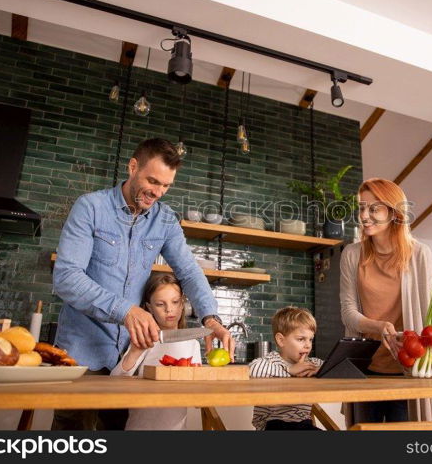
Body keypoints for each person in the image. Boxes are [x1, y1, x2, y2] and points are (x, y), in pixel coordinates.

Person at [52, 138, 233, 430]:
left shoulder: (165, 220)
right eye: (152, 181)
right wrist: (125, 310)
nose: (157, 192)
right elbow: (66, 277)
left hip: (127, 359)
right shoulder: (91, 207)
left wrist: (211, 319)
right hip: (81, 356)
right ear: (133, 166)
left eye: (166, 186)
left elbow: (189, 270)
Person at [339, 178, 432, 425]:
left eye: (374, 208)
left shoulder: (419, 254)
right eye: (361, 207)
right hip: (365, 370)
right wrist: (378, 326)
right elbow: (347, 312)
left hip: (409, 370)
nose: (364, 215)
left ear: (393, 212)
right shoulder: (352, 254)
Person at [110, 273, 200, 430]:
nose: (169, 309)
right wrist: (135, 352)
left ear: (182, 304)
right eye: (160, 304)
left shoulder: (192, 343)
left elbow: (198, 400)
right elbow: (114, 383)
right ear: (149, 307)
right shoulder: (144, 340)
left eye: (175, 302)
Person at [249, 306, 323, 430]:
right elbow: (252, 369)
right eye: (301, 339)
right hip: (272, 423)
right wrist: (290, 370)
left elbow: (336, 367)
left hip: (303, 423)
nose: (308, 345)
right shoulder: (272, 360)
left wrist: (321, 370)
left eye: (310, 339)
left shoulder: (311, 363)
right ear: (281, 340)